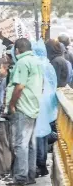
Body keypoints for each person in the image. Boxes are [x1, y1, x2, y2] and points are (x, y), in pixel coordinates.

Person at [5, 38, 43, 186]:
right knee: (31, 143)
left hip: (23, 107)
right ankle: (30, 175)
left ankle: (21, 177)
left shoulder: (22, 62)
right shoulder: (37, 61)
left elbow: (19, 86)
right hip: (34, 106)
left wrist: (12, 105)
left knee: (21, 144)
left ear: (17, 50)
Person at [32, 40, 58, 178]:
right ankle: (41, 165)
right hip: (47, 105)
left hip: (37, 103)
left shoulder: (35, 65)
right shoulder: (48, 66)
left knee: (37, 136)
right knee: (42, 135)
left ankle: (39, 164)